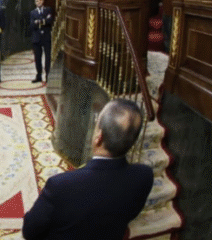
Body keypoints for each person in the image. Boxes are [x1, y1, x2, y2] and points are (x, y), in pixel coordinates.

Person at [22, 99, 153, 240]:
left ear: (99, 137)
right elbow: (132, 213)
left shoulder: (60, 185)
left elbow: (29, 232)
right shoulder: (144, 176)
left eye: (96, 125)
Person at [29, 0, 53, 83]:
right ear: (35, 3)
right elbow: (32, 25)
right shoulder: (32, 13)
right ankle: (38, 75)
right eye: (37, 1)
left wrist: (38, 21)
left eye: (40, 0)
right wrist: (43, 21)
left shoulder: (48, 10)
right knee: (37, 58)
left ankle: (47, 75)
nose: (38, 2)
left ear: (43, 1)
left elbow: (50, 21)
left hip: (46, 37)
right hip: (36, 38)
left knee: (47, 57)